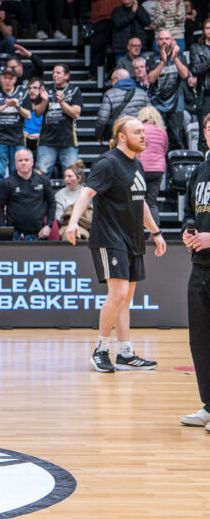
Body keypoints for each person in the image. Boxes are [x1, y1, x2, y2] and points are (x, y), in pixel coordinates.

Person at [65, 117, 166, 372]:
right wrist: (73, 223)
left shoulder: (137, 165)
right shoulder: (107, 162)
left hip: (132, 238)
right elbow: (86, 193)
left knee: (126, 297)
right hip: (109, 237)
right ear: (122, 136)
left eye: (144, 131)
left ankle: (125, 353)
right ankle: (100, 349)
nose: (144, 136)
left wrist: (156, 232)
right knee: (118, 293)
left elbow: (141, 202)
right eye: (137, 132)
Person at [181, 114, 210, 424]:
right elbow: (190, 211)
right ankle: (209, 404)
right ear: (204, 132)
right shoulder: (200, 171)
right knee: (200, 339)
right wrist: (187, 230)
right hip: (199, 266)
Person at [0, 67, 31, 186]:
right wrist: (4, 106)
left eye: (11, 78)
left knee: (18, 171)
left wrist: (17, 106)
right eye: (5, 78)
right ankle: (1, 196)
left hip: (18, 138)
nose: (8, 81)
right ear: (0, 78)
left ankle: (17, 195)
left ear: (15, 79)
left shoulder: (23, 92)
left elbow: (28, 115)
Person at [146, 28, 192, 150]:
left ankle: (173, 168)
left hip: (176, 106)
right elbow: (150, 79)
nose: (164, 41)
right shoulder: (152, 59)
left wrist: (175, 58)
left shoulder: (180, 57)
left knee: (176, 139)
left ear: (172, 41)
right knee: (158, 140)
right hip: (157, 105)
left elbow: (185, 75)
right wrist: (163, 62)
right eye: (161, 39)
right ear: (157, 42)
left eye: (167, 38)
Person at [87, 0, 131, 78]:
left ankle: (116, 73)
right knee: (98, 47)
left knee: (118, 47)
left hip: (120, 19)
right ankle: (95, 74)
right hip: (100, 19)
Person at [0, 148, 54, 241]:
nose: (23, 162)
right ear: (15, 163)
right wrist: (4, 229)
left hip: (38, 234)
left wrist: (49, 225)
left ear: (32, 162)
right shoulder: (6, 183)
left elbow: (52, 204)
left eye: (26, 160)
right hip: (15, 235)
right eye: (20, 160)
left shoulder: (44, 181)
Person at [135, 106, 168, 224]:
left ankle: (137, 230)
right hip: (158, 170)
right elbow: (164, 149)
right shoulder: (162, 131)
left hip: (141, 168)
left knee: (137, 200)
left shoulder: (140, 130)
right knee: (151, 202)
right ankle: (154, 232)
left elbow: (135, 148)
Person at [55, 161, 87, 229]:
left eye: (70, 176)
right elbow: (58, 217)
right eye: (65, 176)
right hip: (66, 226)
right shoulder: (59, 195)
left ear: (79, 178)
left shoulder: (86, 192)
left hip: (85, 225)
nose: (66, 179)